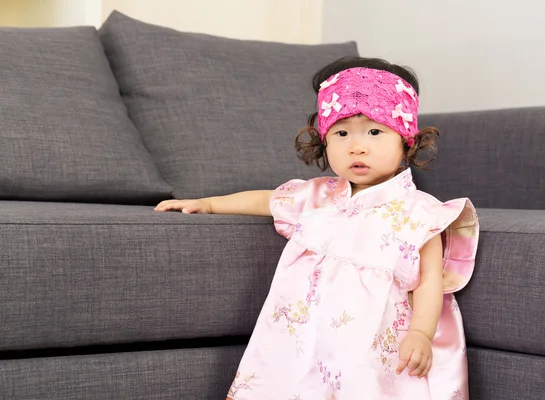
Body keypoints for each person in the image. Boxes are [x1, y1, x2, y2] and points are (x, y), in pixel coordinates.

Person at [155, 56, 479, 399]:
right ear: (324, 142)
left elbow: (429, 281)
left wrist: (421, 333)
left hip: (373, 344)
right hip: (305, 338)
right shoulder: (318, 196)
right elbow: (266, 200)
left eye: (374, 131)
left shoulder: (420, 214)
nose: (357, 145)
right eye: (341, 133)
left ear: (407, 141)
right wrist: (209, 204)